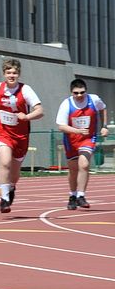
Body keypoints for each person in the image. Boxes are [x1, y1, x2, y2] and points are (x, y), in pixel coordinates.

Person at [0, 58, 43, 213]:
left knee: (14, 172)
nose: (11, 75)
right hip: (2, 133)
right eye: (8, 73)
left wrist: (27, 117)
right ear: (4, 74)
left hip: (21, 136)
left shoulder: (26, 90)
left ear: (18, 74)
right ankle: (4, 198)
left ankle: (12, 187)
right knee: (5, 162)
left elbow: (40, 111)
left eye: (14, 73)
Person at [56, 78, 107, 210]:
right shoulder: (66, 104)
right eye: (76, 93)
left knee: (84, 165)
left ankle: (81, 195)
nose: (79, 95)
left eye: (82, 92)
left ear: (86, 91)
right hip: (71, 140)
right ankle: (72, 195)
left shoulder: (94, 100)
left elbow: (103, 108)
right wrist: (77, 131)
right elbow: (61, 126)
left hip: (88, 138)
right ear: (71, 93)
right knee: (73, 170)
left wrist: (104, 126)